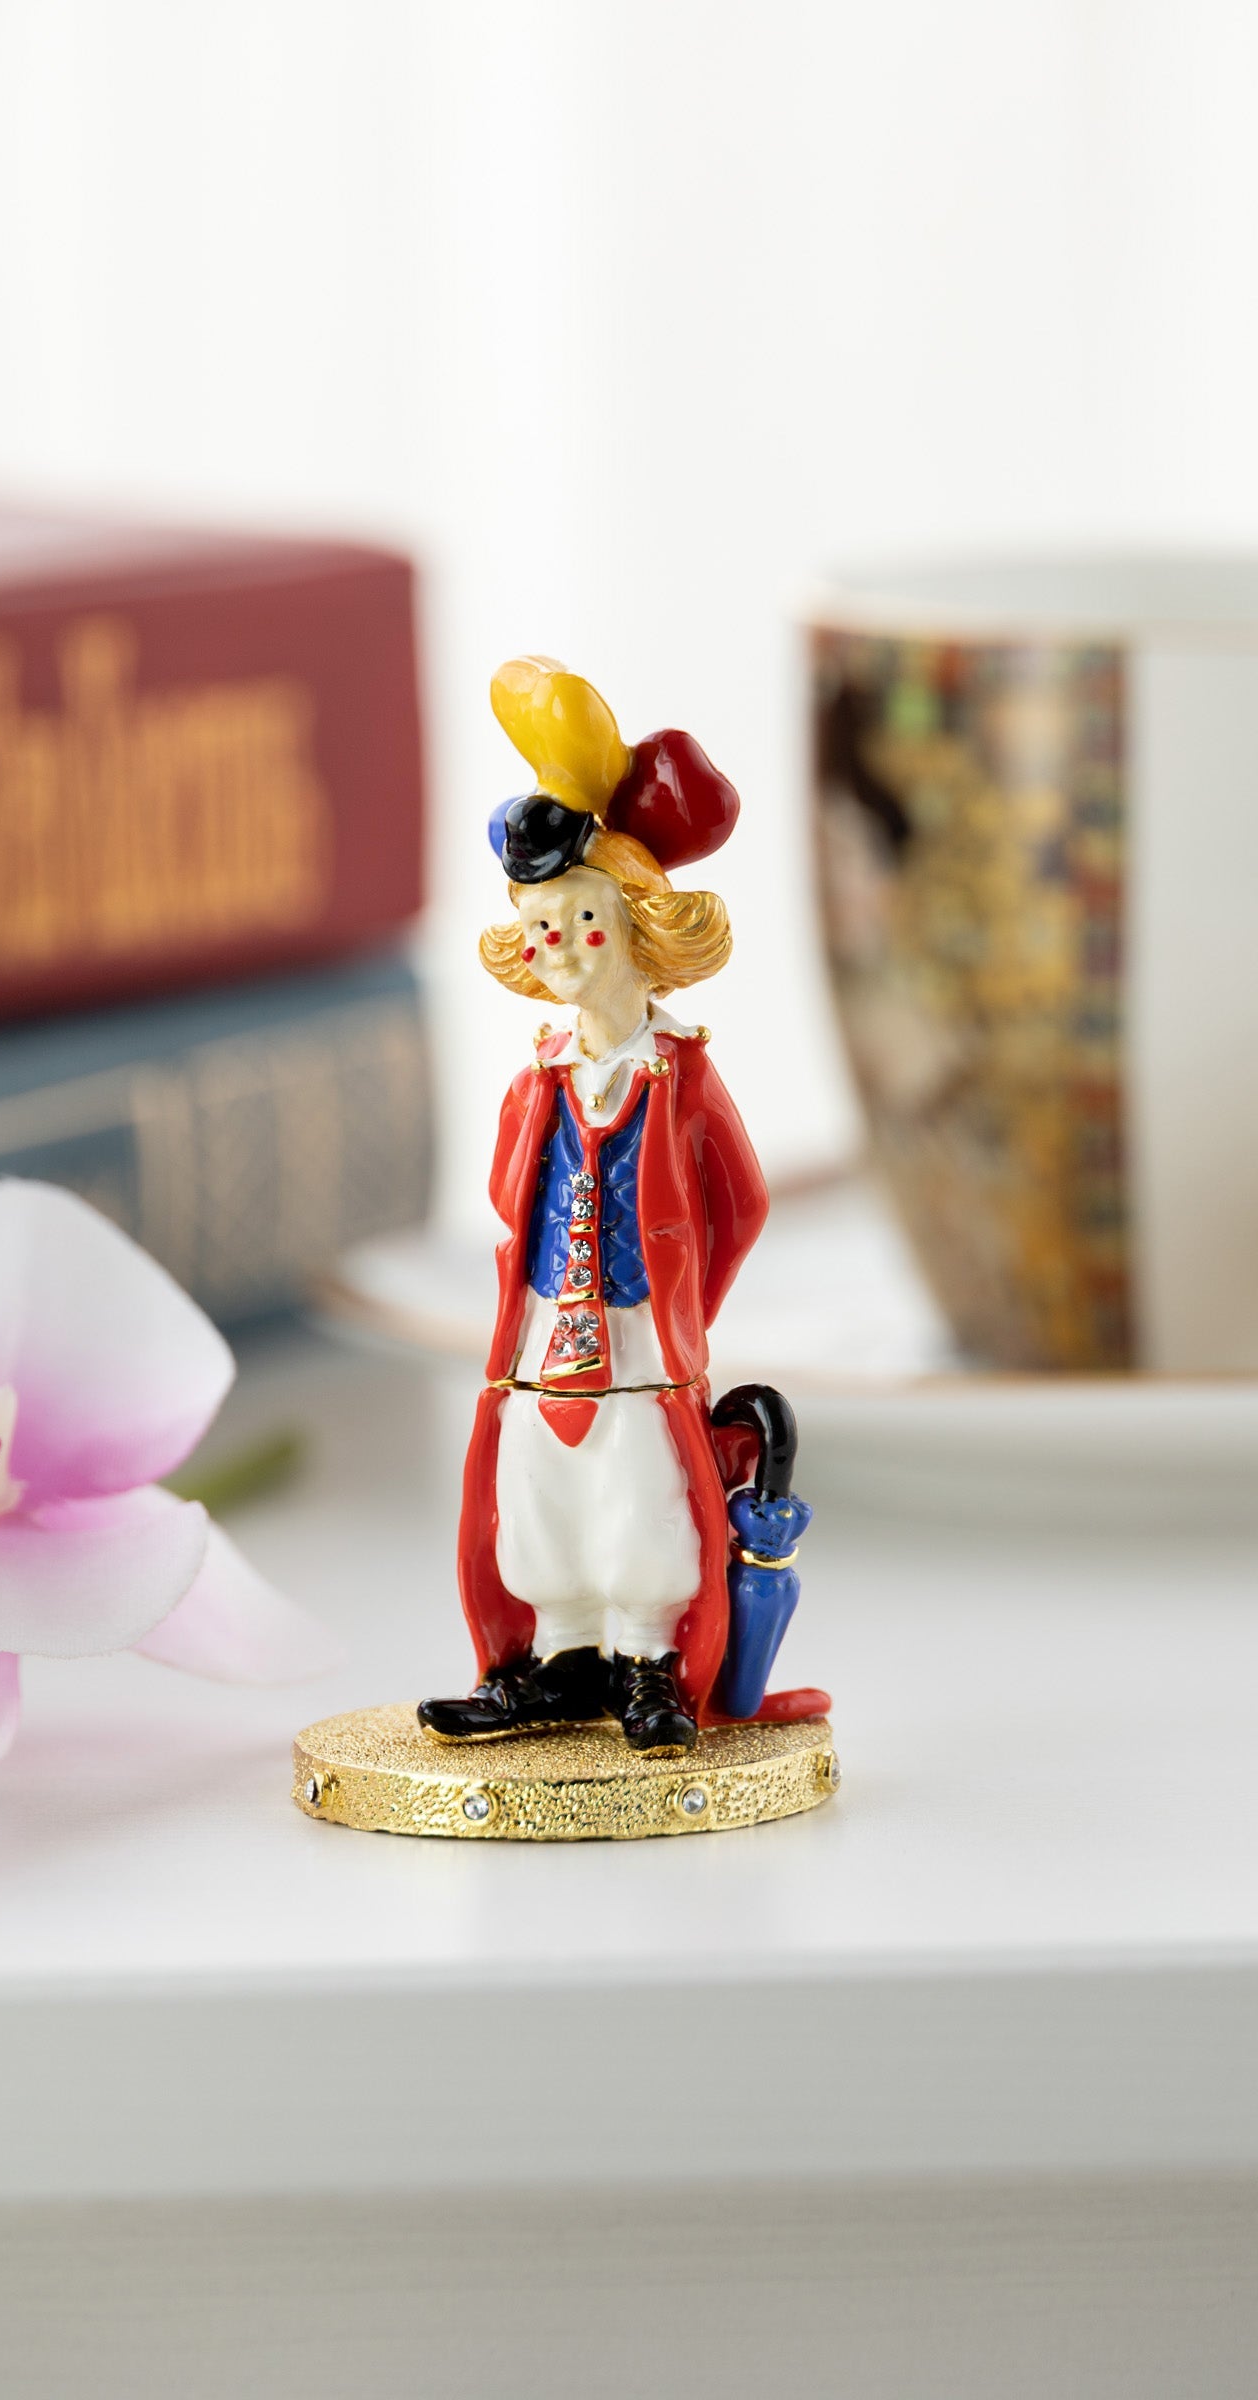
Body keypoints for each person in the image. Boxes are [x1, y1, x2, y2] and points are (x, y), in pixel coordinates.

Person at [419, 659, 827, 1758]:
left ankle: (649, 1663)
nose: (559, 944)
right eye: (542, 925)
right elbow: (512, 1202)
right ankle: (556, 1660)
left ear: (639, 929)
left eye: (582, 919)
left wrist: (677, 1300)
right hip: (546, 1324)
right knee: (540, 1479)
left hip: (646, 1331)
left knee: (640, 1487)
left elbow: (737, 1203)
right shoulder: (538, 1080)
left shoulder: (680, 1081)